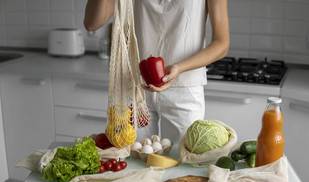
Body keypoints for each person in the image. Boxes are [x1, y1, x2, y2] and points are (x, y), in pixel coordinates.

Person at [84, 0, 230, 145]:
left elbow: (221, 43)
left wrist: (179, 68)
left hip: (184, 89)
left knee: (182, 161)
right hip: (137, 86)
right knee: (132, 157)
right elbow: (92, 24)